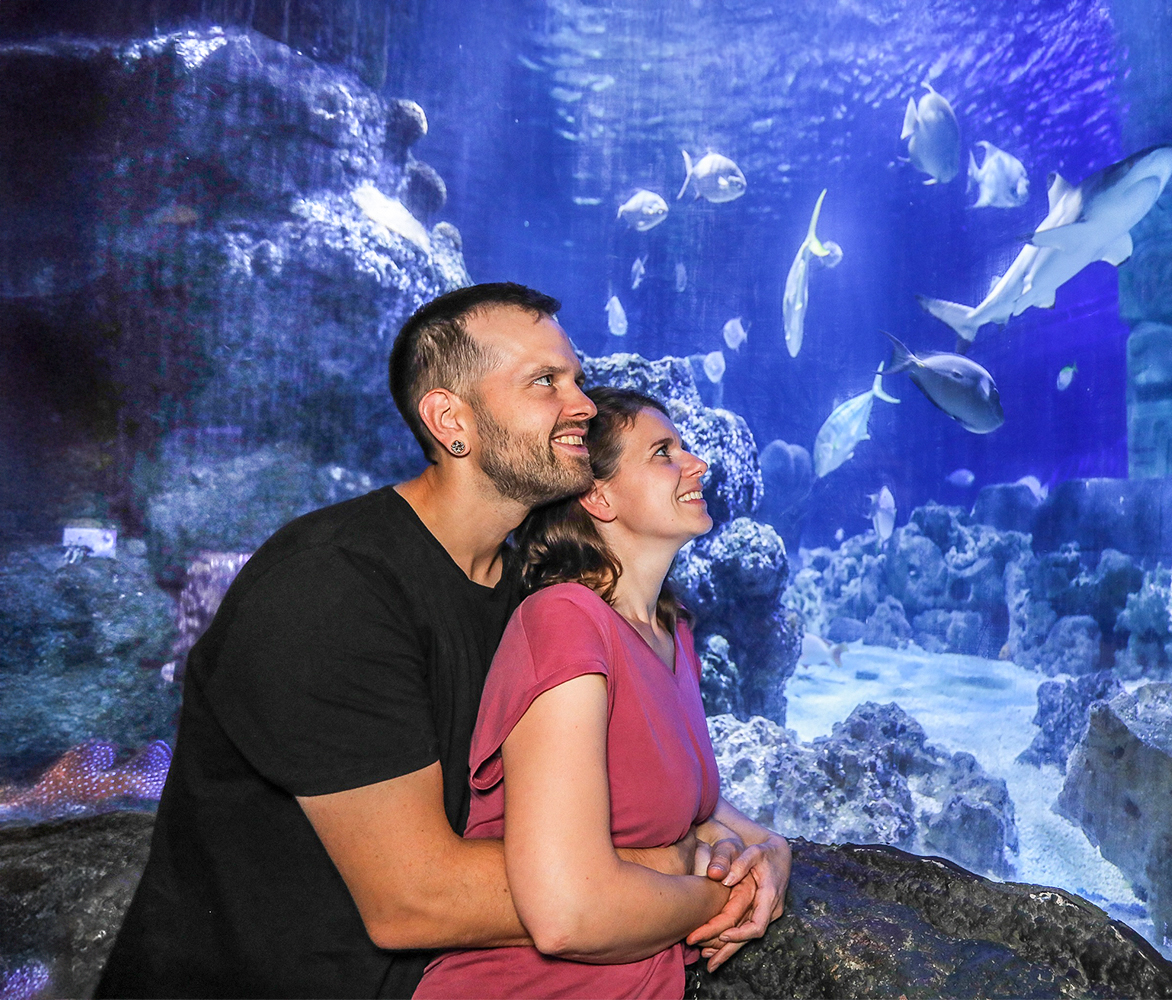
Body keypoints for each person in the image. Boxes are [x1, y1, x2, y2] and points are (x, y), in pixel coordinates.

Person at [97, 284, 745, 998]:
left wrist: (751, 847)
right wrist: (671, 868)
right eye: (545, 382)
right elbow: (415, 898)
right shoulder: (330, 587)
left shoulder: (530, 595)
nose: (584, 405)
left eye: (578, 380)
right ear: (451, 421)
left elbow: (628, 779)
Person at [413, 387, 790, 999]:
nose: (698, 465)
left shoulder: (675, 633)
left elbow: (690, 808)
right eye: (664, 452)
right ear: (598, 494)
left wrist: (772, 853)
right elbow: (567, 917)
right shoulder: (565, 623)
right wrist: (718, 895)